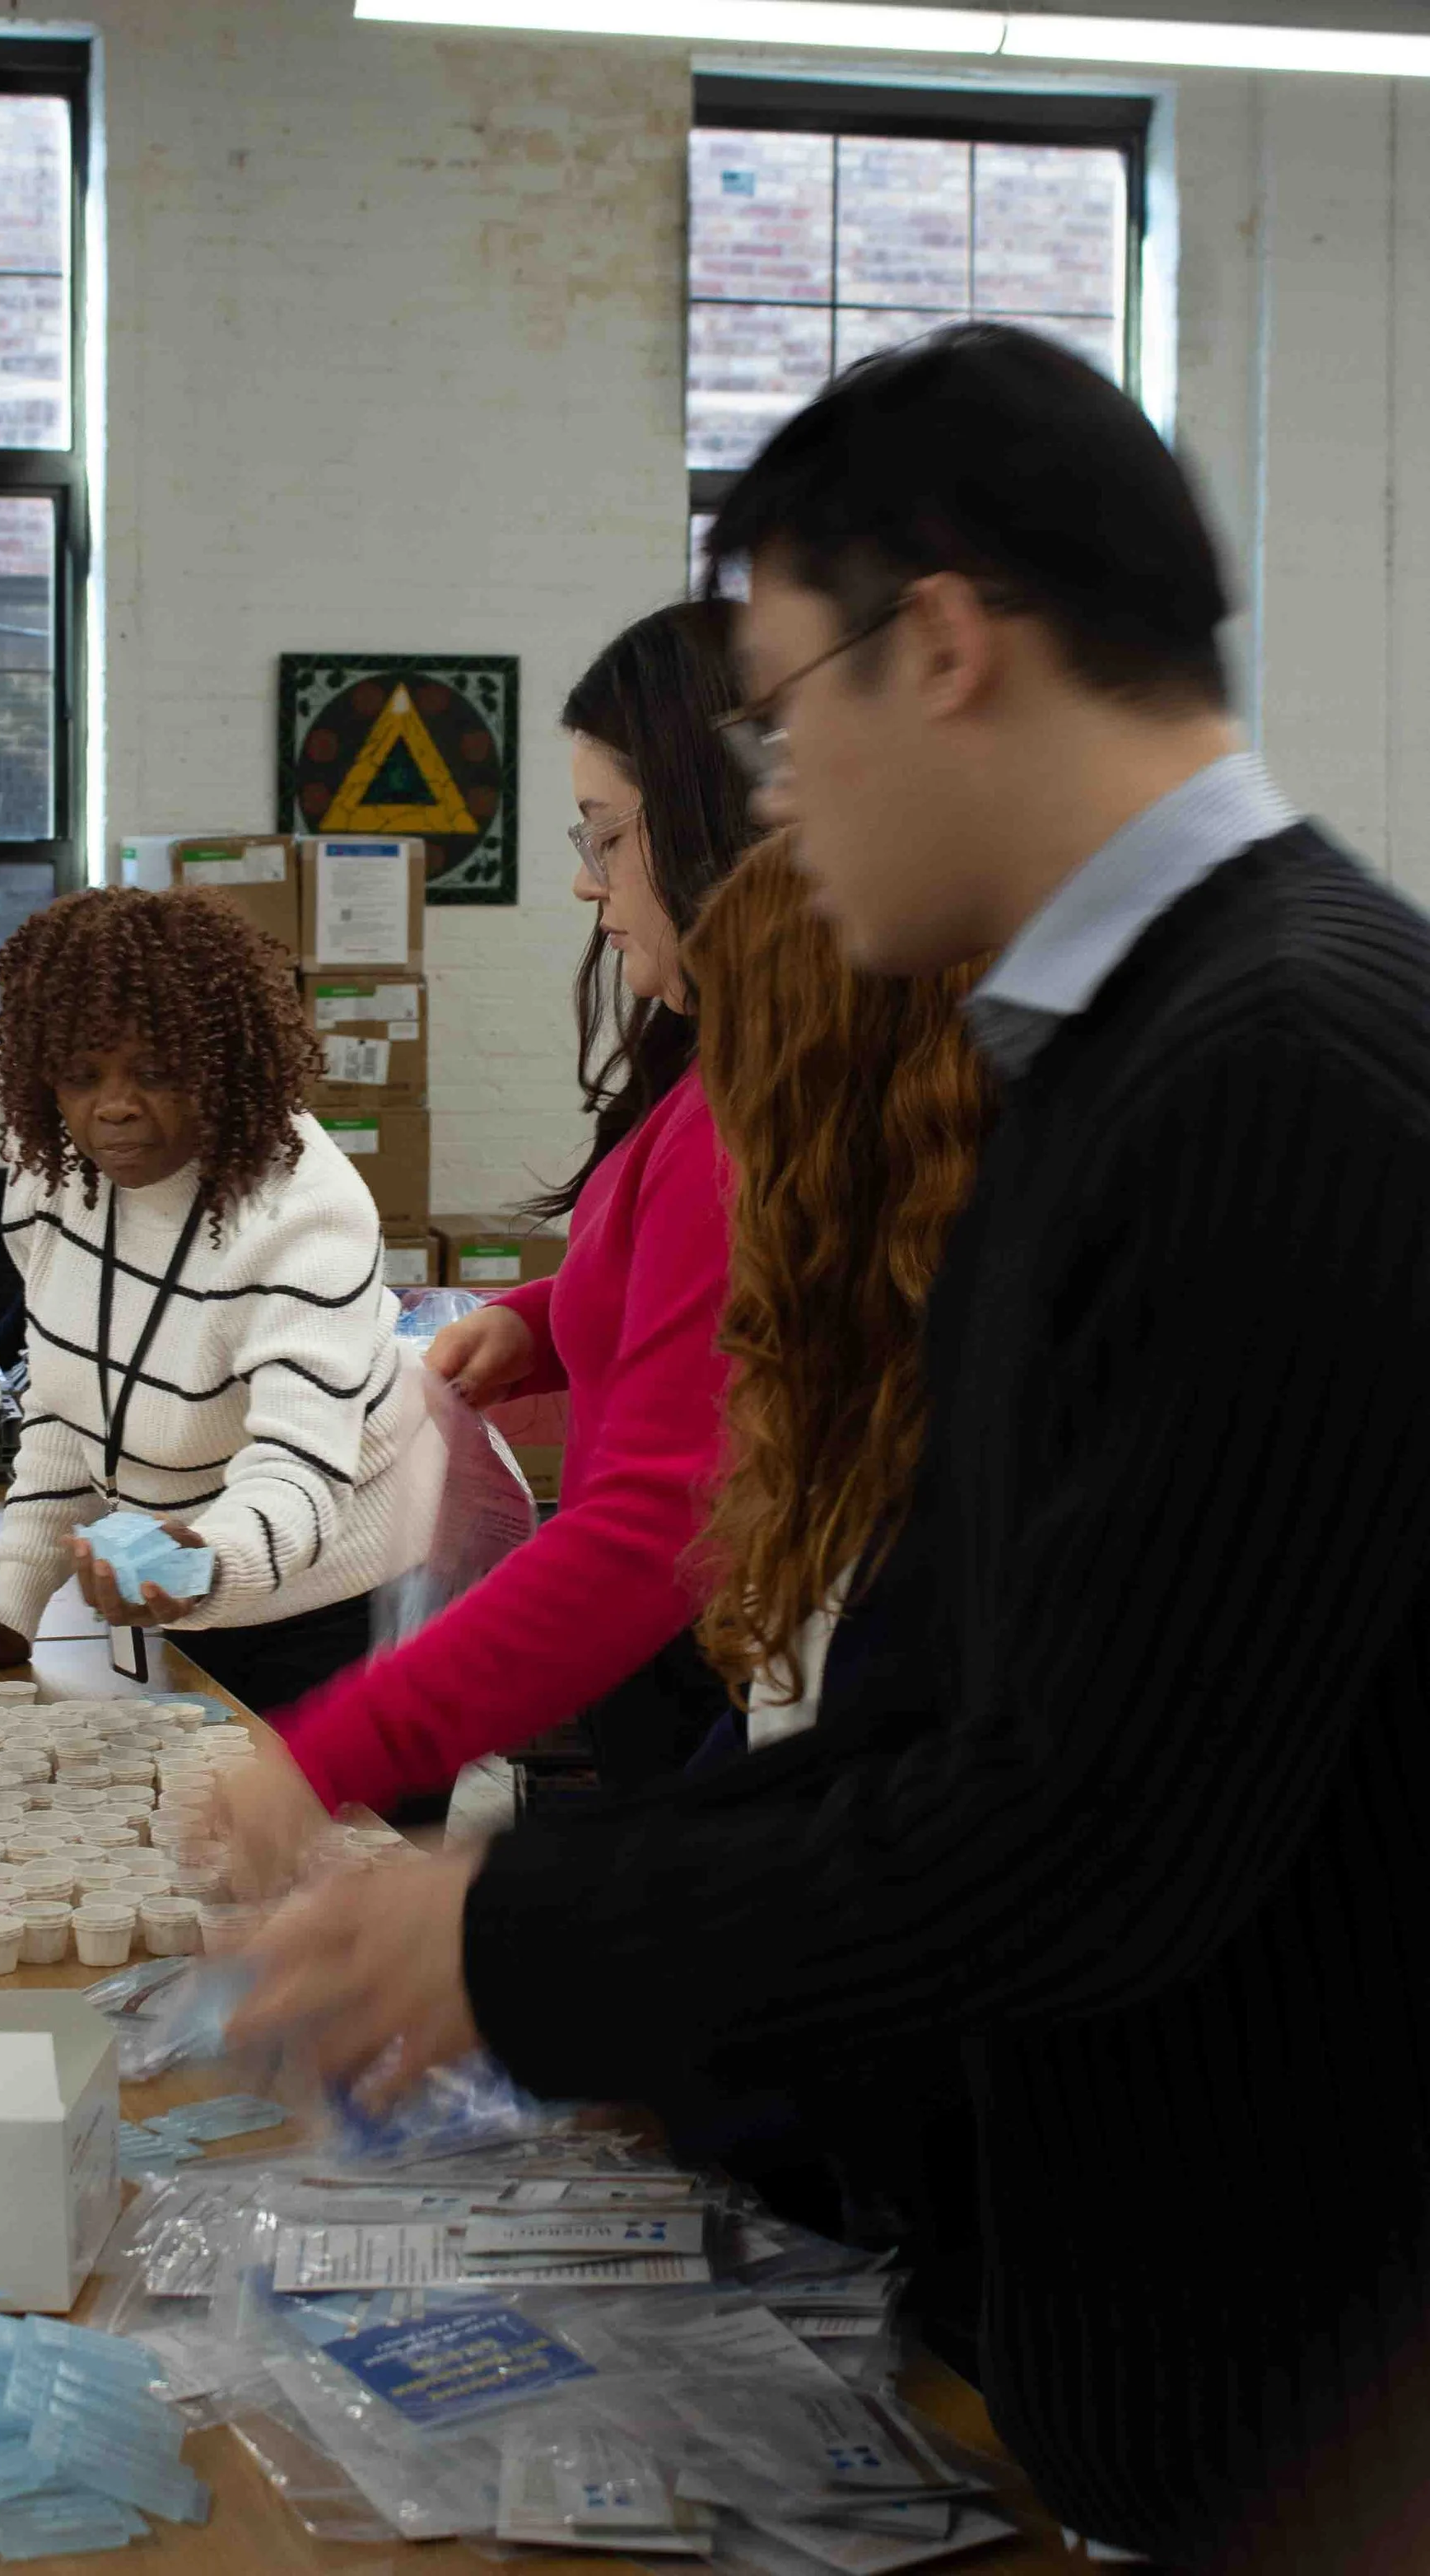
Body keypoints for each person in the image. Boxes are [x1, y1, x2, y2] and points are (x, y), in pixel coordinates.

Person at [229, 323, 1430, 2569]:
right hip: (1141, 2357)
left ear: (946, 649)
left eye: (779, 725)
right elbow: (936, 1708)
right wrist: (511, 1913)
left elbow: (1084, 1826)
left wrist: (521, 1938)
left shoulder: (1276, 1069)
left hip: (1312, 2419)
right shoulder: (1124, 1051)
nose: (762, 809)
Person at [214, 600, 750, 1886]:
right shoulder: (708, 1073)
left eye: (607, 837)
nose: (584, 881)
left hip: (699, 1662)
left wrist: (330, 1749)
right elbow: (695, 1288)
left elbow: (653, 1528)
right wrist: (549, 1321)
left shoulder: (747, 1113)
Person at [0, 885, 439, 1711]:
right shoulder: (56, 1175)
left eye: (158, 1071)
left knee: (352, 1841)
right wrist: (11, 1602)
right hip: (183, 1585)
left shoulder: (303, 1212)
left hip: (351, 1603)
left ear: (225, 1063)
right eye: (80, 1075)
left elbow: (300, 1473)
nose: (115, 1104)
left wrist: (198, 1566)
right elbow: (69, 1405)